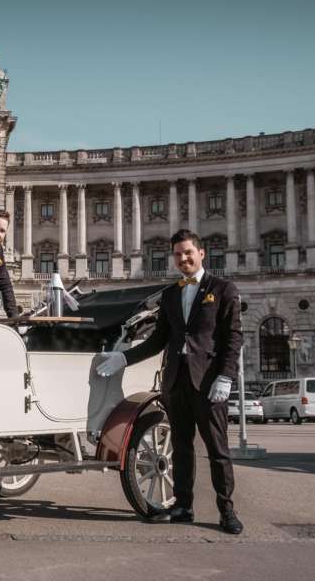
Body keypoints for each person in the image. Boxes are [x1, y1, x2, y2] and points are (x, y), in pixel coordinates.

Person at [97, 229, 244, 534]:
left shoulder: (223, 289)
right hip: (176, 382)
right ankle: (183, 507)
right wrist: (124, 357)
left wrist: (226, 376)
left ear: (201, 253)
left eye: (188, 252)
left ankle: (226, 510)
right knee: (181, 448)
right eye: (178, 254)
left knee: (218, 450)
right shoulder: (171, 293)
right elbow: (157, 341)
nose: (183, 258)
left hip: (208, 383)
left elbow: (233, 338)